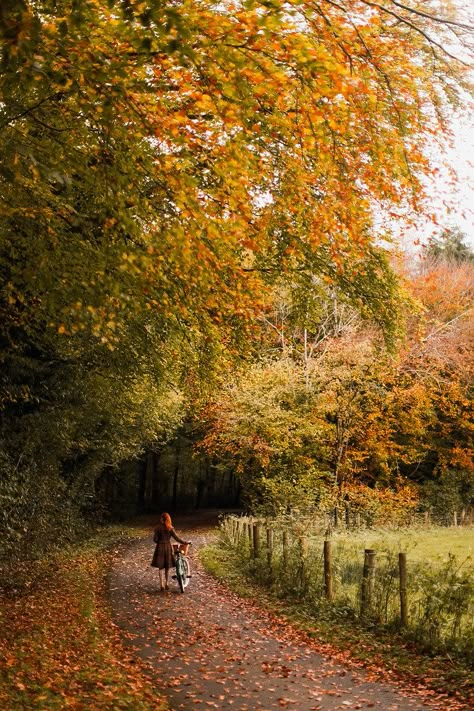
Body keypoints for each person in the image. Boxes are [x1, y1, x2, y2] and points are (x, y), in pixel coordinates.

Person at [151, 513, 191, 591]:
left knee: (160, 567)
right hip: (168, 547)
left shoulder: (157, 528)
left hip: (160, 547)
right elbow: (177, 538)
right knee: (167, 567)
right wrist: (185, 542)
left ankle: (161, 584)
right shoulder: (170, 528)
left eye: (161, 518)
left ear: (162, 519)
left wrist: (160, 541)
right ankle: (167, 583)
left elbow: (155, 540)